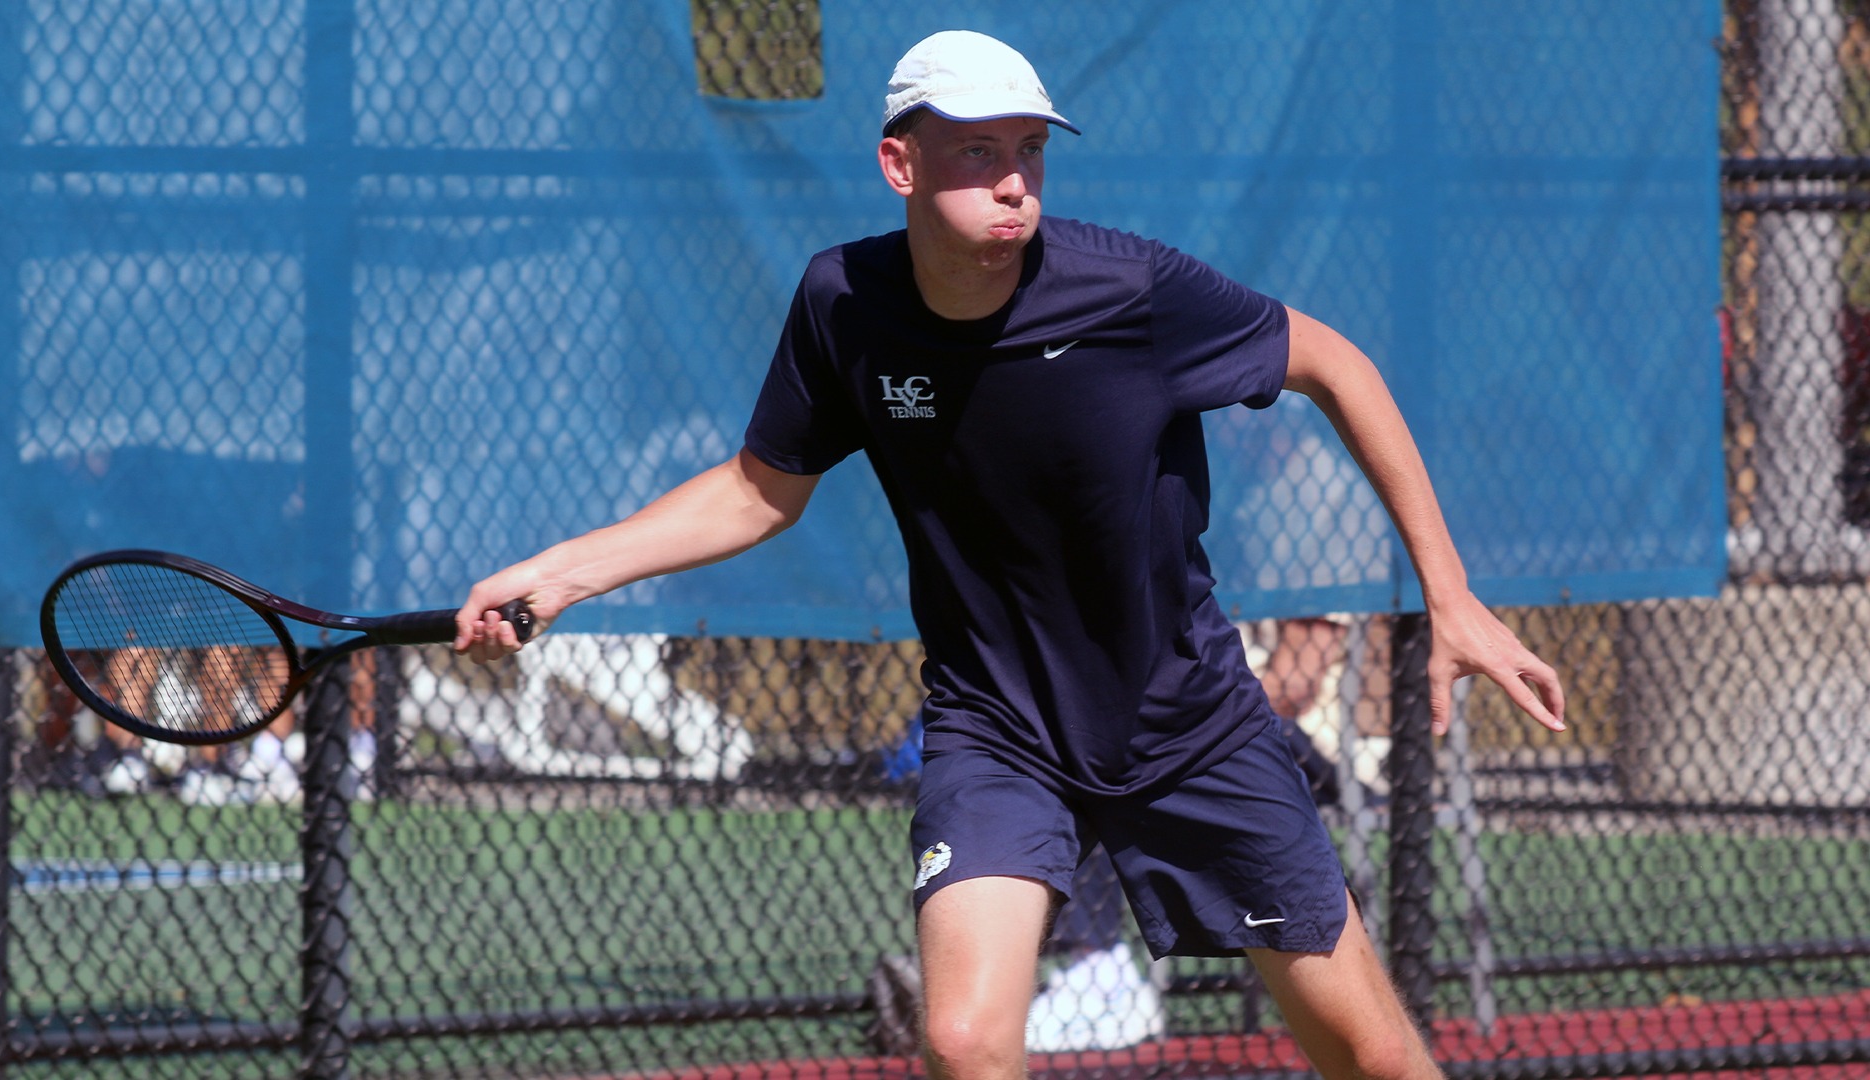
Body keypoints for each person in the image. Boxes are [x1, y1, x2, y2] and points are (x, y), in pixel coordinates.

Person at [455, 29, 1565, 1080]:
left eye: (1029, 150)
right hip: (997, 730)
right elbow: (758, 490)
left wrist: (1451, 594)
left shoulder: (1131, 292)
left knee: (1371, 1059)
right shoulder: (843, 303)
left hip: (1188, 724)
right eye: (977, 153)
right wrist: (561, 575)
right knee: (963, 1039)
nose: (1013, 182)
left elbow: (1336, 365)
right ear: (899, 164)